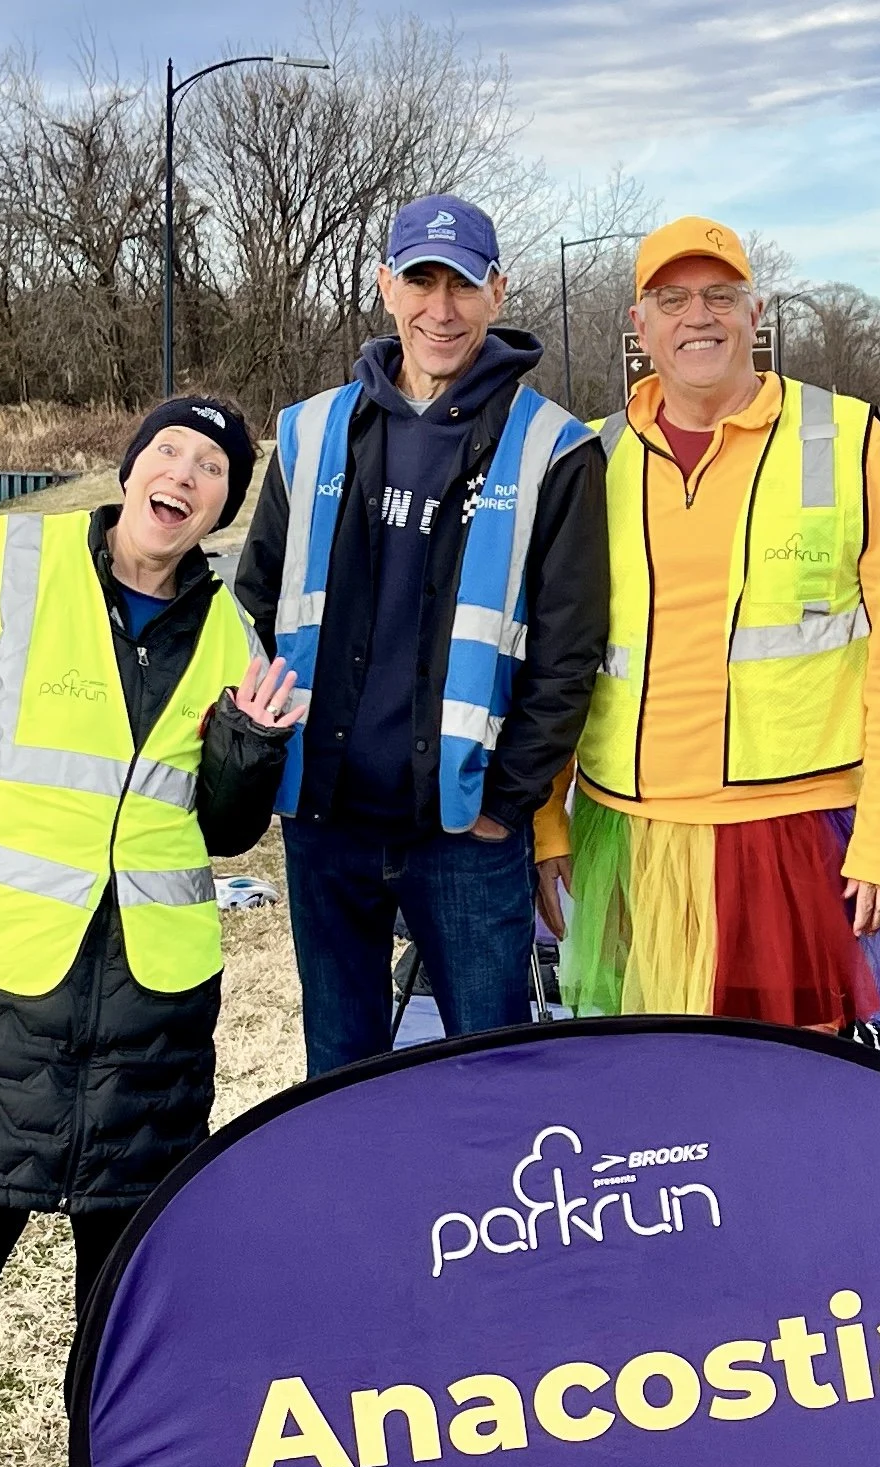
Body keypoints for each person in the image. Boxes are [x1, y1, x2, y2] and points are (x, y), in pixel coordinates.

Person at [0, 396, 298, 1467]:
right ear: (130, 469)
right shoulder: (14, 565)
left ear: (221, 506)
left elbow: (224, 829)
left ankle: (109, 1464)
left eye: (212, 469)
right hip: (3, 971)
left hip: (151, 989)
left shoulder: (231, 637)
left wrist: (252, 748)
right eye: (169, 453)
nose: (185, 476)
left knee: (123, 1240)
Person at [534, 218, 880, 1062]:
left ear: (754, 313)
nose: (699, 316)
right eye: (672, 298)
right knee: (659, 1090)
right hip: (628, 832)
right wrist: (549, 820)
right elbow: (554, 655)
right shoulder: (591, 457)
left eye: (720, 295)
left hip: (791, 831)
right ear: (638, 324)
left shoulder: (847, 439)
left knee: (793, 1088)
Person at [233, 194, 608, 1076]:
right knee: (340, 1073)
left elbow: (567, 654)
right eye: (420, 281)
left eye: (463, 286)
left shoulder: (554, 449)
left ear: (497, 293)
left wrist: (502, 803)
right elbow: (252, 610)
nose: (440, 309)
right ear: (384, 287)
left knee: (490, 1071)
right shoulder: (311, 430)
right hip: (325, 823)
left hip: (463, 830)